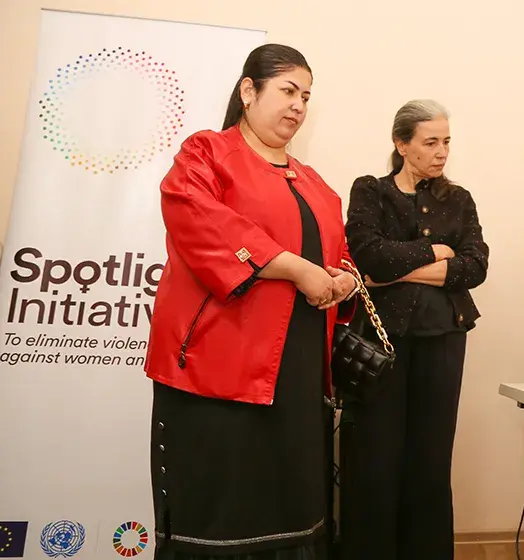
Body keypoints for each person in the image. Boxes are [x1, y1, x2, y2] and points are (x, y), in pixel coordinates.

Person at [144, 44, 358, 560]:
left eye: (306, 96)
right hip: (217, 371)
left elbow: (343, 256)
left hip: (298, 378)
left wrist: (345, 281)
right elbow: (198, 220)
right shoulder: (206, 153)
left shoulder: (315, 183)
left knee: (293, 513)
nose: (298, 106)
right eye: (288, 91)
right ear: (248, 91)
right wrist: (294, 267)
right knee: (220, 511)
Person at [340, 99, 489, 560]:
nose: (442, 151)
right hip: (381, 343)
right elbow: (370, 257)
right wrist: (437, 252)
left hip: (444, 338)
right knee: (374, 458)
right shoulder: (371, 191)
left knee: (430, 460)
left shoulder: (458, 198)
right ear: (402, 144)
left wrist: (395, 269)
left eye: (446, 141)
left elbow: (476, 267)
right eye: (430, 142)